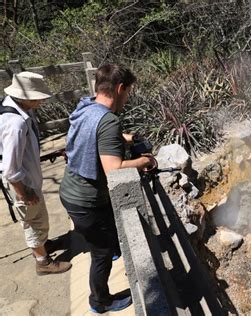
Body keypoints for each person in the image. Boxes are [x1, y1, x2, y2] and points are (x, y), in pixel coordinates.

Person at [59, 64, 153, 314]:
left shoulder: (86, 106)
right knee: (100, 253)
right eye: (128, 92)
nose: (127, 98)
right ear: (120, 88)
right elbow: (114, 168)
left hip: (70, 191)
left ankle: (110, 248)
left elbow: (93, 134)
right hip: (86, 200)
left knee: (105, 237)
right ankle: (100, 301)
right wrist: (144, 161)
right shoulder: (109, 120)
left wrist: (123, 138)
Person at [0, 72, 72, 275]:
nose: (42, 99)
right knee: (32, 221)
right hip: (22, 183)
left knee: (38, 216)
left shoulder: (17, 109)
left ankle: (43, 244)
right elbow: (10, 168)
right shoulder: (15, 123)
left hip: (28, 177)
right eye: (37, 96)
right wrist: (23, 192)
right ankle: (43, 261)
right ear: (25, 97)